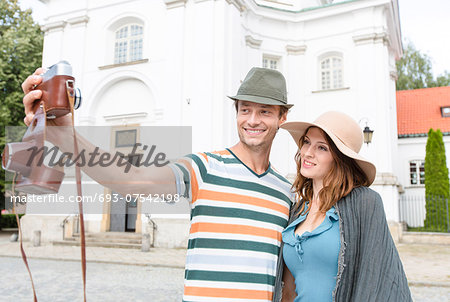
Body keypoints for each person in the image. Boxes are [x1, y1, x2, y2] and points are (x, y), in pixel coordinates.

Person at [21, 67, 295, 301]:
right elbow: (132, 179)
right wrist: (62, 133)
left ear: (282, 117)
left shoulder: (286, 193)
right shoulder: (204, 167)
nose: (252, 120)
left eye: (265, 112)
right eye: (245, 109)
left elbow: (287, 275)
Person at [272, 111, 412, 302]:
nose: (307, 152)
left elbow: (378, 276)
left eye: (322, 148)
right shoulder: (297, 210)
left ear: (340, 158)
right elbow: (288, 291)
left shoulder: (364, 202)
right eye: (306, 142)